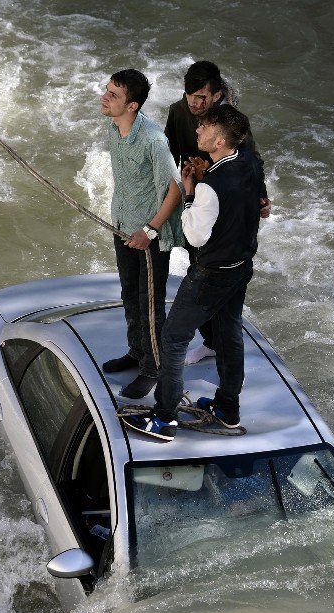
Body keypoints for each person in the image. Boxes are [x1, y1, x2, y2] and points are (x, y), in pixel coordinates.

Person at [121, 106, 264, 441]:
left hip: (211, 274)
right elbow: (255, 202)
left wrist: (189, 194)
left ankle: (164, 418)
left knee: (173, 338)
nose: (197, 131)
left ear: (219, 141)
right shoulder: (249, 161)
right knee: (229, 336)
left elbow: (196, 236)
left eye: (204, 128)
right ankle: (228, 409)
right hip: (240, 268)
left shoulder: (210, 187)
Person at [163, 61, 270, 365]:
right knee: (198, 261)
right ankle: (212, 340)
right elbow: (169, 153)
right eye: (189, 97)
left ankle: (219, 339)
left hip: (226, 198)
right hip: (197, 194)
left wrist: (261, 197)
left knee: (217, 271)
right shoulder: (178, 111)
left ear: (218, 94)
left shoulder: (232, 123)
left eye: (201, 98)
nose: (194, 105)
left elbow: (252, 160)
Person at [100, 69, 184, 399]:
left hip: (148, 235)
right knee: (129, 294)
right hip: (122, 225)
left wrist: (149, 230)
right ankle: (137, 353)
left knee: (150, 306)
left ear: (132, 105)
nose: (105, 98)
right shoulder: (113, 125)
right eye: (107, 91)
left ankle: (154, 367)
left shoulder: (152, 140)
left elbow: (175, 189)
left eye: (113, 95)